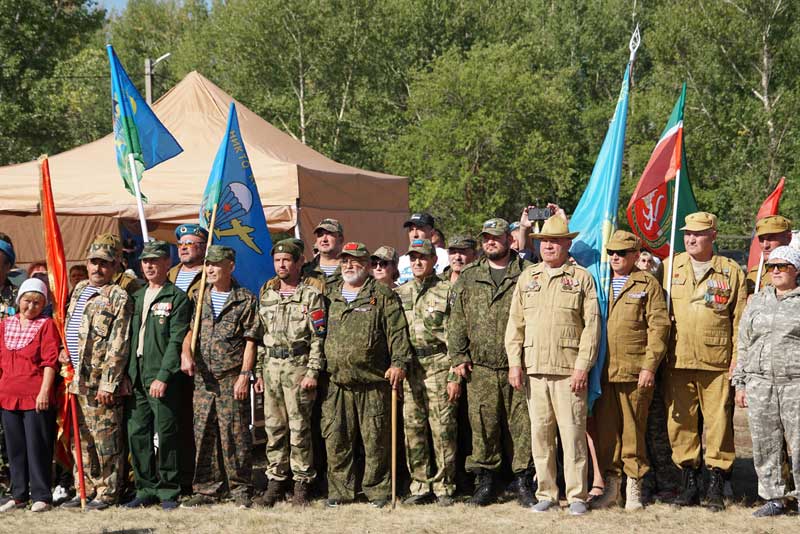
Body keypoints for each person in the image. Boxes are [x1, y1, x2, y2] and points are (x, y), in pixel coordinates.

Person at [504, 215, 599, 516]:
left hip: (569, 369)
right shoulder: (528, 277)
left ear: (567, 243)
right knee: (540, 435)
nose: (548, 246)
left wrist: (583, 366)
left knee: (572, 435)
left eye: (555, 241)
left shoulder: (582, 278)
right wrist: (514, 364)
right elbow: (515, 324)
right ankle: (545, 492)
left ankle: (577, 496)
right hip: (534, 369)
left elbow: (592, 327)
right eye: (544, 241)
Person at [448, 218, 535, 508]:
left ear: (509, 241)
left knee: (522, 425)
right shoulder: (470, 276)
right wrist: (459, 355)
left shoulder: (525, 273)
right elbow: (457, 319)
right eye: (485, 238)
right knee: (483, 426)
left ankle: (523, 479)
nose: (490, 242)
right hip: (480, 367)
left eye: (496, 237)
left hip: (518, 364)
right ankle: (486, 482)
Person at [664, 212, 746, 511]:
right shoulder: (671, 266)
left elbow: (739, 321)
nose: (690, 238)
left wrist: (737, 360)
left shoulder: (730, 271)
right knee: (681, 424)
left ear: (713, 235)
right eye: (687, 233)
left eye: (698, 233)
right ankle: (688, 482)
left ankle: (715, 481)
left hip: (716, 362)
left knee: (719, 424)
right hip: (678, 358)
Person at [322, 242, 412, 508]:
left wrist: (399, 363)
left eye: (355, 261)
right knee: (336, 438)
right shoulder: (329, 295)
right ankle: (340, 491)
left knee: (376, 439)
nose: (349, 266)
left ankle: (378, 491)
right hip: (337, 381)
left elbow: (397, 333)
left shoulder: (382, 294)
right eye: (345, 261)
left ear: (367, 264)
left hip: (373, 381)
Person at [589, 231, 670, 510]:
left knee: (633, 431)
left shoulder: (647, 283)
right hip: (603, 371)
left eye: (622, 253)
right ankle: (612, 487)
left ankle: (634, 485)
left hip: (635, 371)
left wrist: (650, 366)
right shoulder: (600, 280)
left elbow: (659, 328)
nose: (615, 257)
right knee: (607, 432)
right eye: (611, 252)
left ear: (636, 255)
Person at [180, 246, 259, 508]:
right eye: (208, 265)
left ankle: (239, 488)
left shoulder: (244, 299)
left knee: (234, 434)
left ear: (231, 267)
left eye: (216, 264)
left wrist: (244, 375)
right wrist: (185, 353)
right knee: (203, 433)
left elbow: (251, 340)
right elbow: (191, 331)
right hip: (204, 379)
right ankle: (207, 488)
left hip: (230, 376)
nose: (211, 269)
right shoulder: (198, 297)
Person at [59, 235, 134, 510]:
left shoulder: (118, 296)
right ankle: (86, 487)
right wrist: (64, 352)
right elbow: (71, 326)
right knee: (84, 440)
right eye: (93, 262)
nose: (97, 269)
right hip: (77, 379)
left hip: (100, 382)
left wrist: (109, 383)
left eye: (104, 264)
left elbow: (119, 342)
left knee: (106, 441)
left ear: (114, 266)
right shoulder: (79, 290)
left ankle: (108, 491)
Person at [252, 239, 326, 507]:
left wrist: (313, 372)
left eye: (286, 260)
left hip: (298, 367)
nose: (281, 265)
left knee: (299, 428)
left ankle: (302, 483)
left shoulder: (311, 296)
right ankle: (275, 481)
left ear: (298, 263)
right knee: (274, 427)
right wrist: (259, 371)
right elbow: (261, 338)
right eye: (277, 261)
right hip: (272, 367)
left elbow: (319, 338)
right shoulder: (268, 295)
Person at [125, 241, 192, 510]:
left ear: (167, 264)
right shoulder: (137, 297)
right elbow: (127, 338)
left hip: (161, 375)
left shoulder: (176, 297)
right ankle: (145, 487)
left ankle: (168, 489)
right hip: (136, 373)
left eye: (155, 260)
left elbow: (177, 340)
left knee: (166, 433)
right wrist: (126, 374)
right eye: (145, 261)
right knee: (137, 433)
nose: (150, 265)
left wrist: (164, 376)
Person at [734, 246, 800, 517]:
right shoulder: (758, 300)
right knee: (764, 443)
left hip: (795, 382)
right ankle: (774, 497)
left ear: (796, 270)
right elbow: (744, 342)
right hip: (760, 383)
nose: (775, 271)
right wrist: (740, 382)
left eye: (782, 266)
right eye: (772, 266)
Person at [395, 239, 458, 506]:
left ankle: (444, 487)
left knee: (442, 428)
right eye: (413, 258)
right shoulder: (401, 293)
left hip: (440, 364)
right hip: (411, 369)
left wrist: (455, 375)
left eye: (423, 257)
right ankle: (419, 485)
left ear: (434, 260)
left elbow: (456, 336)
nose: (417, 262)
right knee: (413, 428)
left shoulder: (446, 291)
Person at [0, 279, 58, 513]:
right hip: (7, 394)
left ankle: (41, 495)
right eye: (27, 301)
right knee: (15, 447)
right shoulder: (4, 325)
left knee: (37, 446)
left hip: (35, 394)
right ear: (18, 300)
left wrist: (45, 390)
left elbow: (50, 361)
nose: (31, 307)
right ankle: (19, 494)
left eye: (37, 302)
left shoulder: (46, 325)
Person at [397, 213, 449, 285]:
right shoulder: (400, 262)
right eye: (411, 229)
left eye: (420, 229)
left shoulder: (445, 257)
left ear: (432, 233)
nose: (415, 234)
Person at [746, 215, 792, 295]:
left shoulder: (795, 271)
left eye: (771, 238)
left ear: (788, 238)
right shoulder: (756, 273)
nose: (765, 245)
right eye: (761, 239)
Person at [301, 218, 345, 287]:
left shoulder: (350, 269)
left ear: (341, 239)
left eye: (329, 234)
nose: (324, 239)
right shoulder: (304, 271)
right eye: (320, 235)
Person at [168, 225, 208, 298]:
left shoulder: (211, 274)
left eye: (189, 243)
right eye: (180, 244)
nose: (183, 247)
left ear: (204, 247)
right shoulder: (169, 274)